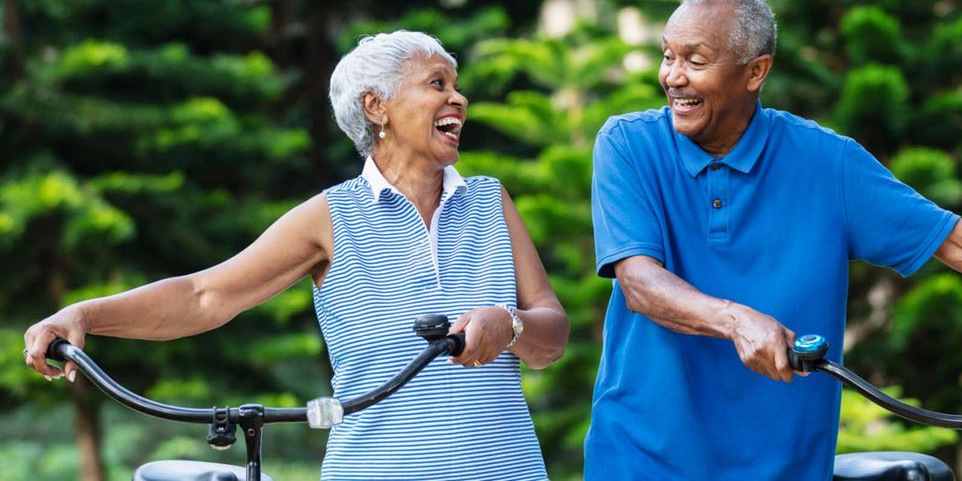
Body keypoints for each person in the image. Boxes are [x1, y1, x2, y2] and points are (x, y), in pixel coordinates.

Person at [586, 0, 962, 479]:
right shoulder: (628, 144)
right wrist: (737, 319)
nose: (672, 77)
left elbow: (957, 241)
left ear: (755, 72)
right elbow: (640, 283)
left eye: (695, 59)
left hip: (783, 466)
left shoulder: (827, 163)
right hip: (642, 461)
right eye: (668, 56)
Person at [23, 30, 568, 481]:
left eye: (456, 85)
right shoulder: (330, 217)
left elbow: (554, 334)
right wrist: (86, 314)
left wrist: (511, 325)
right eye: (437, 84)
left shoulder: (490, 200)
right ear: (376, 106)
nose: (459, 99)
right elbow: (203, 296)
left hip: (507, 468)